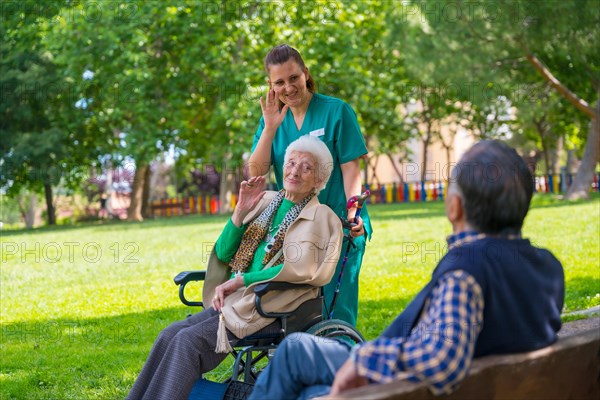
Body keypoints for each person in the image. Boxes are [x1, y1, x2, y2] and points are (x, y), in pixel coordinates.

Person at [248, 140, 565, 399]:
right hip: (459, 387)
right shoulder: (547, 266)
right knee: (308, 378)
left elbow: (441, 359)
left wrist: (362, 360)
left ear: (454, 207)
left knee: (295, 352)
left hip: (400, 388)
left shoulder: (466, 272)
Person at [128, 135, 342, 400]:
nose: (295, 171)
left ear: (319, 180)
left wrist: (241, 281)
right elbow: (224, 253)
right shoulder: (267, 201)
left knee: (188, 343)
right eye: (291, 162)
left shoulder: (320, 216)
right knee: (168, 335)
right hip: (237, 303)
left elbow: (301, 268)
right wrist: (240, 212)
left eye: (306, 167)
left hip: (273, 309)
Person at [248, 44, 372, 327]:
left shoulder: (336, 111)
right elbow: (255, 173)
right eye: (279, 82)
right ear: (271, 86)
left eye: (294, 78)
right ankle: (302, 365)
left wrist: (353, 214)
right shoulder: (272, 122)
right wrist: (269, 129)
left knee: (335, 311)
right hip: (296, 227)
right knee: (297, 310)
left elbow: (351, 168)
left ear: (305, 74)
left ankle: (339, 361)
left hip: (340, 225)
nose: (288, 88)